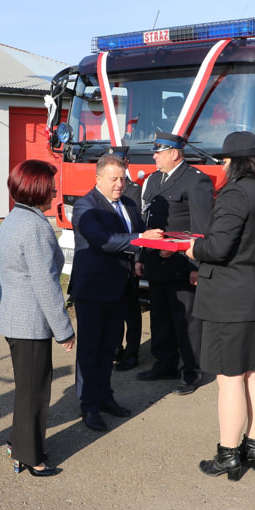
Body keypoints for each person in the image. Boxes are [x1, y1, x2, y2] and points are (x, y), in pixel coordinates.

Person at [184, 131, 255, 481]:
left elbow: (217, 249)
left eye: (223, 160)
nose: (222, 167)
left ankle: (228, 454)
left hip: (230, 302)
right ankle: (253, 446)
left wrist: (192, 250)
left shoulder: (235, 193)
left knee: (229, 380)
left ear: (235, 161)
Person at [0, 159, 75, 477]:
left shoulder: (14, 218)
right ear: (37, 188)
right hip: (29, 322)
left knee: (27, 387)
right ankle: (29, 456)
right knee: (34, 391)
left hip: (15, 317)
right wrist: (64, 329)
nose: (55, 191)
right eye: (51, 186)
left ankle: (19, 443)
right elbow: (46, 284)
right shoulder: (36, 227)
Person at [70, 154, 163, 431]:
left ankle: (105, 397)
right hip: (93, 290)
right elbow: (104, 241)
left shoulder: (130, 205)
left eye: (123, 178)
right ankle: (88, 407)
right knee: (90, 350)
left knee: (109, 347)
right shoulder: (85, 206)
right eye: (113, 179)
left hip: (120, 288)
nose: (120, 184)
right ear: (98, 179)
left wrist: (145, 252)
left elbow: (139, 236)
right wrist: (139, 240)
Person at [137, 131, 213, 395]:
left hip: (183, 264)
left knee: (187, 322)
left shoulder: (196, 181)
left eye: (159, 151)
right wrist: (141, 257)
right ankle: (164, 363)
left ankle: (191, 371)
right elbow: (147, 222)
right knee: (160, 318)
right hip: (157, 262)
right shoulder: (154, 179)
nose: (154, 156)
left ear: (175, 153)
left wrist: (197, 268)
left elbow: (202, 229)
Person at [111, 145, 143, 372]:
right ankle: (115, 348)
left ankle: (132, 352)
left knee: (131, 311)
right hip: (110, 263)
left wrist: (139, 259)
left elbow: (140, 229)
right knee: (113, 309)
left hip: (130, 261)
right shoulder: (101, 194)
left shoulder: (134, 193)